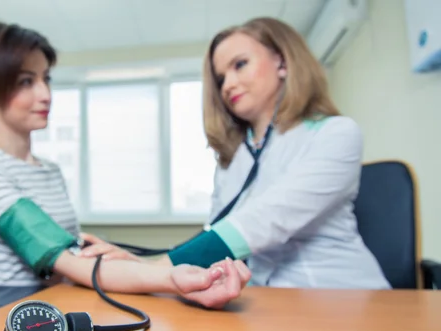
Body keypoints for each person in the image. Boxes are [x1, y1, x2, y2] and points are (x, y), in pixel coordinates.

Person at [0, 21, 251, 326]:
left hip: (47, 309)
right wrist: (173, 277)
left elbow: (77, 258)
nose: (45, 94)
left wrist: (141, 265)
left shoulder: (49, 171)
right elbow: (60, 256)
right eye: (26, 82)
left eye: (46, 78)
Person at [79, 17, 391, 290]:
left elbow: (265, 221)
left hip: (342, 295)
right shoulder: (234, 158)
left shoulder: (335, 133)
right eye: (220, 77)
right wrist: (139, 260)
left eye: (239, 64)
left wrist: (146, 270)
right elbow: (218, 234)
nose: (228, 84)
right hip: (267, 303)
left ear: (283, 63)